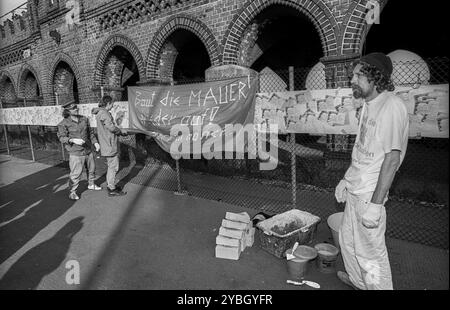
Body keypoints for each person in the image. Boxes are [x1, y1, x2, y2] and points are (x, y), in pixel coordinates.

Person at [334, 52, 409, 290]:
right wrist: (347, 178)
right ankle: (359, 282)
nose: (352, 80)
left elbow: (391, 159)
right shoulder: (369, 104)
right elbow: (364, 149)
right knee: (348, 243)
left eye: (358, 75)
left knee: (370, 254)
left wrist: (376, 205)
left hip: (370, 194)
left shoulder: (392, 106)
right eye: (353, 75)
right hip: (357, 187)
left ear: (375, 77)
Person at [57, 101, 102, 200]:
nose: (76, 109)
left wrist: (95, 142)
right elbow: (61, 137)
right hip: (75, 152)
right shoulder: (63, 123)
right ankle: (72, 192)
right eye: (73, 108)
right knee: (76, 173)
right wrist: (72, 140)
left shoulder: (84, 119)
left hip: (88, 149)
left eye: (76, 107)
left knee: (92, 169)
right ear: (67, 111)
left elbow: (90, 133)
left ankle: (91, 184)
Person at [92, 95, 127, 196]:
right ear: (108, 103)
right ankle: (111, 188)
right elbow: (111, 127)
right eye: (112, 104)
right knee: (113, 166)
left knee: (111, 166)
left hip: (107, 143)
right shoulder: (104, 113)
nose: (112, 106)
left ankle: (111, 185)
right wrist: (120, 131)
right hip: (109, 144)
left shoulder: (101, 113)